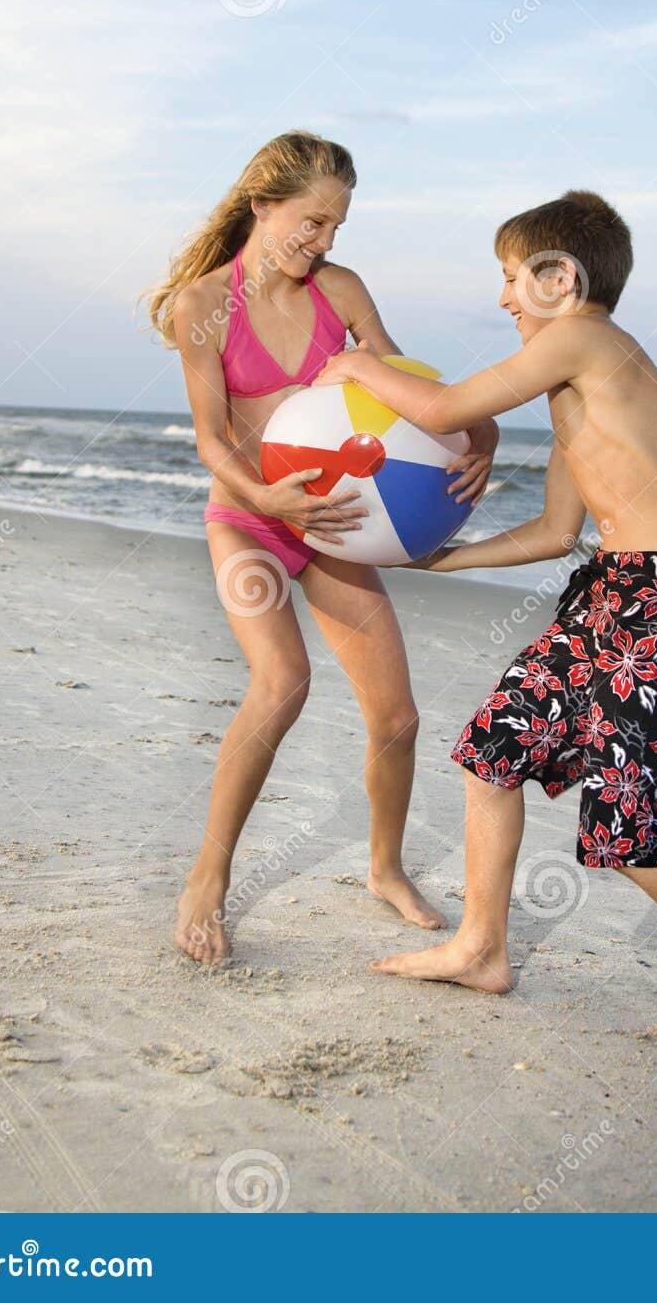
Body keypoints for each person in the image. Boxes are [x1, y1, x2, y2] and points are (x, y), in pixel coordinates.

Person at [313, 189, 657, 1050]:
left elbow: (444, 409)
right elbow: (552, 532)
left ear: (559, 278)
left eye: (511, 276)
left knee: (629, 820)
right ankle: (480, 948)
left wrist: (356, 366)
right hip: (609, 596)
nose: (502, 297)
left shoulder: (585, 340)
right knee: (492, 752)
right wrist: (435, 560)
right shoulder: (575, 383)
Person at [146, 131, 498, 966]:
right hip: (253, 519)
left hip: (341, 525)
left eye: (337, 225)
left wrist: (478, 438)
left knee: (397, 717)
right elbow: (210, 440)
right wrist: (266, 498)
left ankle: (384, 869)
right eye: (312, 222)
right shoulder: (203, 304)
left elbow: (412, 394)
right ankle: (207, 880)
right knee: (282, 682)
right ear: (262, 205)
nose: (324, 241)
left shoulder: (340, 290)